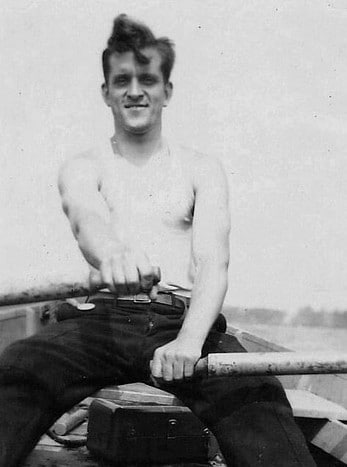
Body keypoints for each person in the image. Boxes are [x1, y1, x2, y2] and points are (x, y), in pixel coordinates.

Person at [0, 14, 316, 466]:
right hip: (99, 322)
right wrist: (113, 257)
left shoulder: (202, 168)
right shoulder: (83, 166)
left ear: (167, 91)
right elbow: (87, 223)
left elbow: (213, 266)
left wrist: (189, 341)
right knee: (14, 374)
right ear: (106, 92)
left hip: (182, 324)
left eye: (147, 78)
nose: (134, 90)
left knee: (259, 400)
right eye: (121, 79)